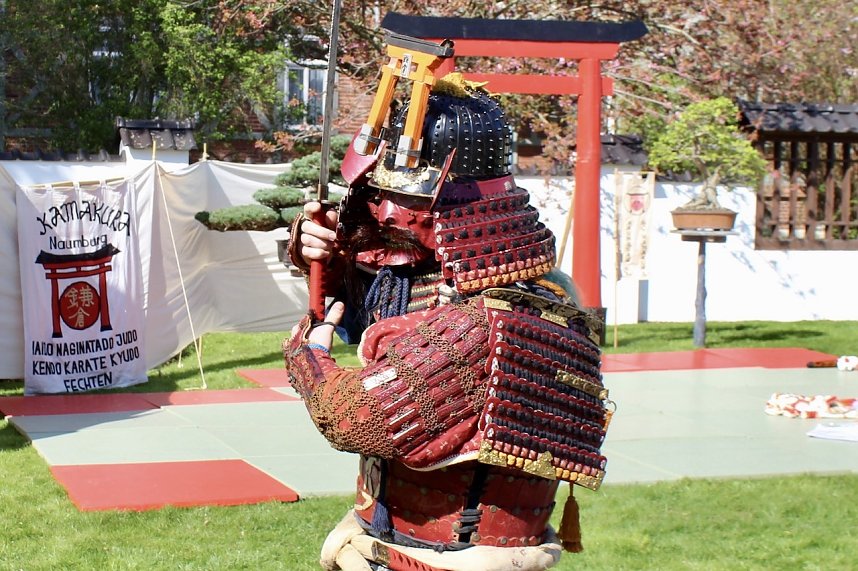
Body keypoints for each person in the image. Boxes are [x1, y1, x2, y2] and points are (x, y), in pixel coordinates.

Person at [284, 73, 610, 571]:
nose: (382, 211)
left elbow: (356, 417)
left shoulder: (498, 312)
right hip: (394, 539)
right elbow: (368, 313)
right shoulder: (455, 279)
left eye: (404, 198)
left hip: (456, 556)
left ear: (459, 207)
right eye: (377, 192)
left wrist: (309, 357)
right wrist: (328, 258)